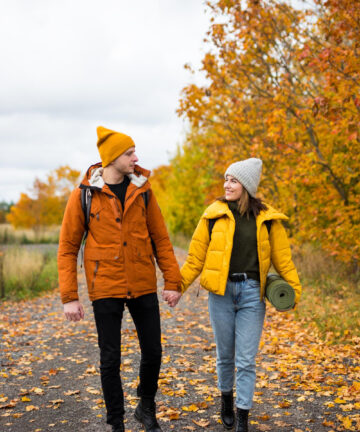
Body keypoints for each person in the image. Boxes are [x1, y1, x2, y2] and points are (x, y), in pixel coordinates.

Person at [57, 126, 182, 432]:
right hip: (106, 286)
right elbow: (67, 248)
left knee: (153, 351)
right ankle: (116, 423)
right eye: (129, 153)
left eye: (134, 151)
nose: (135, 158)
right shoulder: (84, 195)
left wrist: (173, 281)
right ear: (111, 158)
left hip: (141, 283)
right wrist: (69, 296)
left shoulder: (144, 190)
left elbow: (161, 239)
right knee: (110, 359)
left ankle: (146, 405)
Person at [178, 158, 302, 432]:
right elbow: (195, 258)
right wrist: (178, 287)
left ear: (246, 185)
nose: (227, 184)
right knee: (225, 356)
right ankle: (226, 400)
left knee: (246, 359)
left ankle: (243, 416)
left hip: (251, 295)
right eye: (226, 179)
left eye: (233, 180)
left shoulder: (267, 219)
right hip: (221, 295)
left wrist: (295, 291)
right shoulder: (213, 215)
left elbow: (283, 260)